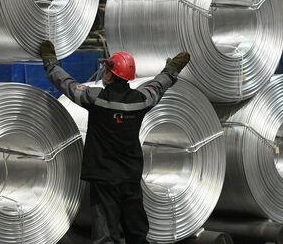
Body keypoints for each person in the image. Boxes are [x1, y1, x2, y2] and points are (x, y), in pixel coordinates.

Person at [41, 40, 190, 244]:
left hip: (104, 179)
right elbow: (157, 86)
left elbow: (67, 84)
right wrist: (172, 69)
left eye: (106, 70)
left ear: (111, 74)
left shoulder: (95, 99)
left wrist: (51, 63)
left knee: (105, 236)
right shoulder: (141, 100)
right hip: (130, 177)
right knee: (137, 232)